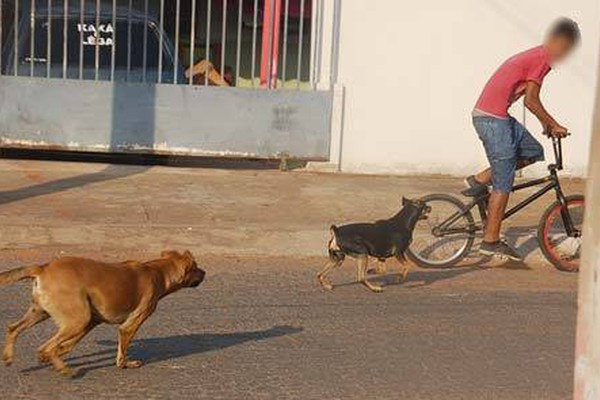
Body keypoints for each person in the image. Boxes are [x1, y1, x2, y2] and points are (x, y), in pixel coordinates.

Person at [465, 18, 581, 261]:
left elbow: (530, 99)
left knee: (532, 151)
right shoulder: (541, 59)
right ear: (557, 41)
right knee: (504, 181)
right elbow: (531, 101)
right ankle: (490, 241)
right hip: (492, 119)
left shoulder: (539, 57)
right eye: (566, 48)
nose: (565, 55)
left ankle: (479, 180)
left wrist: (545, 124)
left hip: (498, 117)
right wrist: (552, 123)